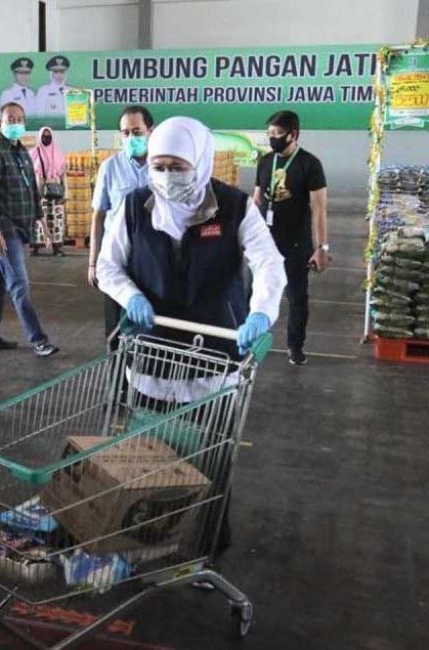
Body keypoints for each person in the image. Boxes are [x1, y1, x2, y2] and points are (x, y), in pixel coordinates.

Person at [96, 116, 286, 559]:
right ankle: (149, 535)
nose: (166, 175)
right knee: (151, 453)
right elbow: (108, 265)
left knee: (213, 455)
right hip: (154, 354)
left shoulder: (236, 207)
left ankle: (208, 542)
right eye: (158, 165)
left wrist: (260, 313)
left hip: (214, 356)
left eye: (177, 166)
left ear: (199, 162)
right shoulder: (134, 206)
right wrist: (129, 296)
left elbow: (269, 264)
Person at [0, 102, 59, 357]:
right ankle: (38, 339)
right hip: (3, 228)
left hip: (20, 226)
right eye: (10, 119)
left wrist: (42, 223)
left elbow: (31, 190)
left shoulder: (21, 151)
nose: (15, 123)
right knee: (19, 285)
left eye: (19, 118)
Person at [253, 110, 329, 366]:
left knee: (297, 297)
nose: (273, 139)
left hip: (296, 244)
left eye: (277, 134)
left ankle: (295, 346)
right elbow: (256, 199)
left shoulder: (310, 164)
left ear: (293, 135)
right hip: (264, 242)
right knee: (253, 292)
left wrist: (321, 248)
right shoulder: (265, 162)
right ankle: (249, 342)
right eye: (270, 134)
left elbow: (319, 209)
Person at [88, 105, 154, 348]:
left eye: (136, 131)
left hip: (152, 263)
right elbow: (98, 216)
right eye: (125, 133)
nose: (131, 138)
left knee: (150, 333)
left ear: (150, 131)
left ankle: (144, 383)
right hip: (116, 263)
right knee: (116, 333)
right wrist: (93, 262)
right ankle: (119, 384)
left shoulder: (162, 167)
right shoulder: (110, 167)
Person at [29, 126, 66, 256]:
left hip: (55, 190)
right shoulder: (34, 153)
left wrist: (65, 192)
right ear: (39, 137)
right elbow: (29, 173)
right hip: (40, 191)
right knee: (39, 218)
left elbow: (63, 174)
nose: (46, 138)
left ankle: (57, 247)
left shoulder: (58, 153)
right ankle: (35, 247)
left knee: (56, 220)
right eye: (44, 135)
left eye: (48, 135)